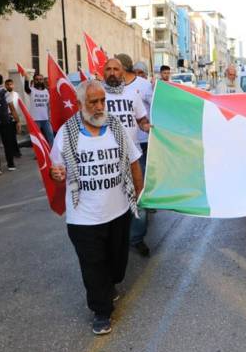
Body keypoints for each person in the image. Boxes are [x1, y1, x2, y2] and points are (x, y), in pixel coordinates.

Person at [50, 79, 143, 335]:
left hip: (119, 211)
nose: (100, 106)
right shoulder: (66, 133)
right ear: (80, 104)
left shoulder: (115, 127)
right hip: (83, 217)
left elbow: (134, 161)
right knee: (92, 265)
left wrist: (139, 191)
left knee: (116, 264)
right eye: (94, 102)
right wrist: (56, 174)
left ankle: (110, 285)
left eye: (103, 100)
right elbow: (56, 169)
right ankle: (101, 311)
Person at [106, 56, 151, 257]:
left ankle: (136, 239)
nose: (113, 73)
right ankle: (115, 240)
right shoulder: (98, 95)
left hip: (133, 157)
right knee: (113, 202)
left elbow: (141, 119)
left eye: (116, 69)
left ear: (123, 72)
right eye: (108, 69)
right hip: (107, 160)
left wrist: (146, 126)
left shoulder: (133, 94)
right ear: (104, 72)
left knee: (139, 198)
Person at [24, 73, 54, 145]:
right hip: (35, 119)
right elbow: (26, 89)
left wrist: (50, 116)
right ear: (34, 81)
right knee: (36, 139)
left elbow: (48, 105)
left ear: (43, 80)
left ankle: (53, 153)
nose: (39, 81)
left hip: (45, 119)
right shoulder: (31, 90)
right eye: (37, 80)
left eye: (40, 79)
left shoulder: (46, 91)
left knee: (50, 136)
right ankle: (38, 155)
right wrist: (26, 80)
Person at [4, 79, 22, 158]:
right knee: (11, 136)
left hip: (16, 117)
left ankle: (15, 151)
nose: (9, 86)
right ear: (5, 85)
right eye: (8, 84)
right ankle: (15, 152)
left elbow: (19, 106)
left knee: (14, 135)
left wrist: (19, 119)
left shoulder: (16, 94)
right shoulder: (4, 94)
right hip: (8, 117)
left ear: (13, 85)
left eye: (11, 84)